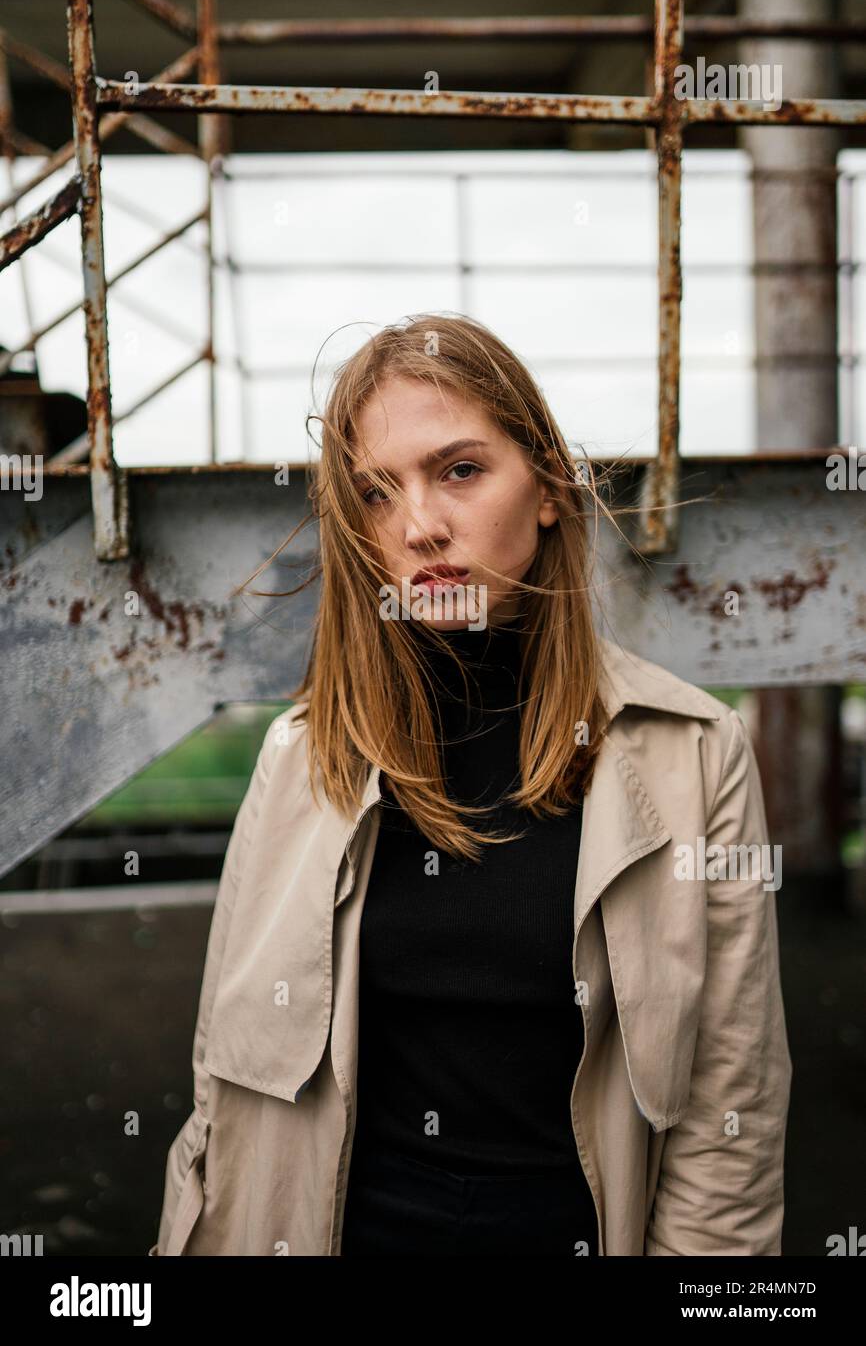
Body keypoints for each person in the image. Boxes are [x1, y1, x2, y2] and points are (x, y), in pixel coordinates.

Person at [149, 313, 793, 1257]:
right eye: (376, 493)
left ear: (546, 488)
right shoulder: (303, 759)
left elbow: (731, 1111)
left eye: (459, 470)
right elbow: (221, 1095)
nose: (419, 527)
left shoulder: (694, 752)